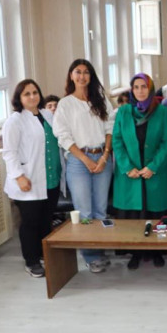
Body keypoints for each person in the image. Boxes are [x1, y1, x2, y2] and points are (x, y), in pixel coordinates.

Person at [52, 59, 115, 273]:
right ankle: (91, 256)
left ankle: (100, 248)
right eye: (77, 72)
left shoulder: (101, 99)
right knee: (85, 212)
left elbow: (110, 128)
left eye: (86, 72)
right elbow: (62, 136)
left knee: (100, 210)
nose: (82, 76)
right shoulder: (65, 104)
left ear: (91, 76)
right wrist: (86, 160)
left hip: (102, 157)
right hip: (78, 161)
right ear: (71, 75)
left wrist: (104, 156)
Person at [112, 73, 167, 270]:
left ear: (151, 88)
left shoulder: (162, 112)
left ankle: (157, 251)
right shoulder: (123, 112)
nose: (140, 91)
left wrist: (153, 167)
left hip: (156, 173)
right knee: (134, 216)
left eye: (144, 86)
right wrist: (127, 167)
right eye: (136, 87)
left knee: (156, 214)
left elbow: (166, 143)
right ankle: (136, 252)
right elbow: (117, 141)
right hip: (131, 175)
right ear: (132, 90)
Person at [2, 79, 62, 278]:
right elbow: (9, 153)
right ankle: (31, 260)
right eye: (26, 94)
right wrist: (19, 177)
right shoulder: (14, 121)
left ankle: (43, 254)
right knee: (30, 222)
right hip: (28, 180)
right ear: (19, 98)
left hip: (50, 178)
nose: (32, 96)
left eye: (35, 92)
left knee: (46, 219)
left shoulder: (47, 115)